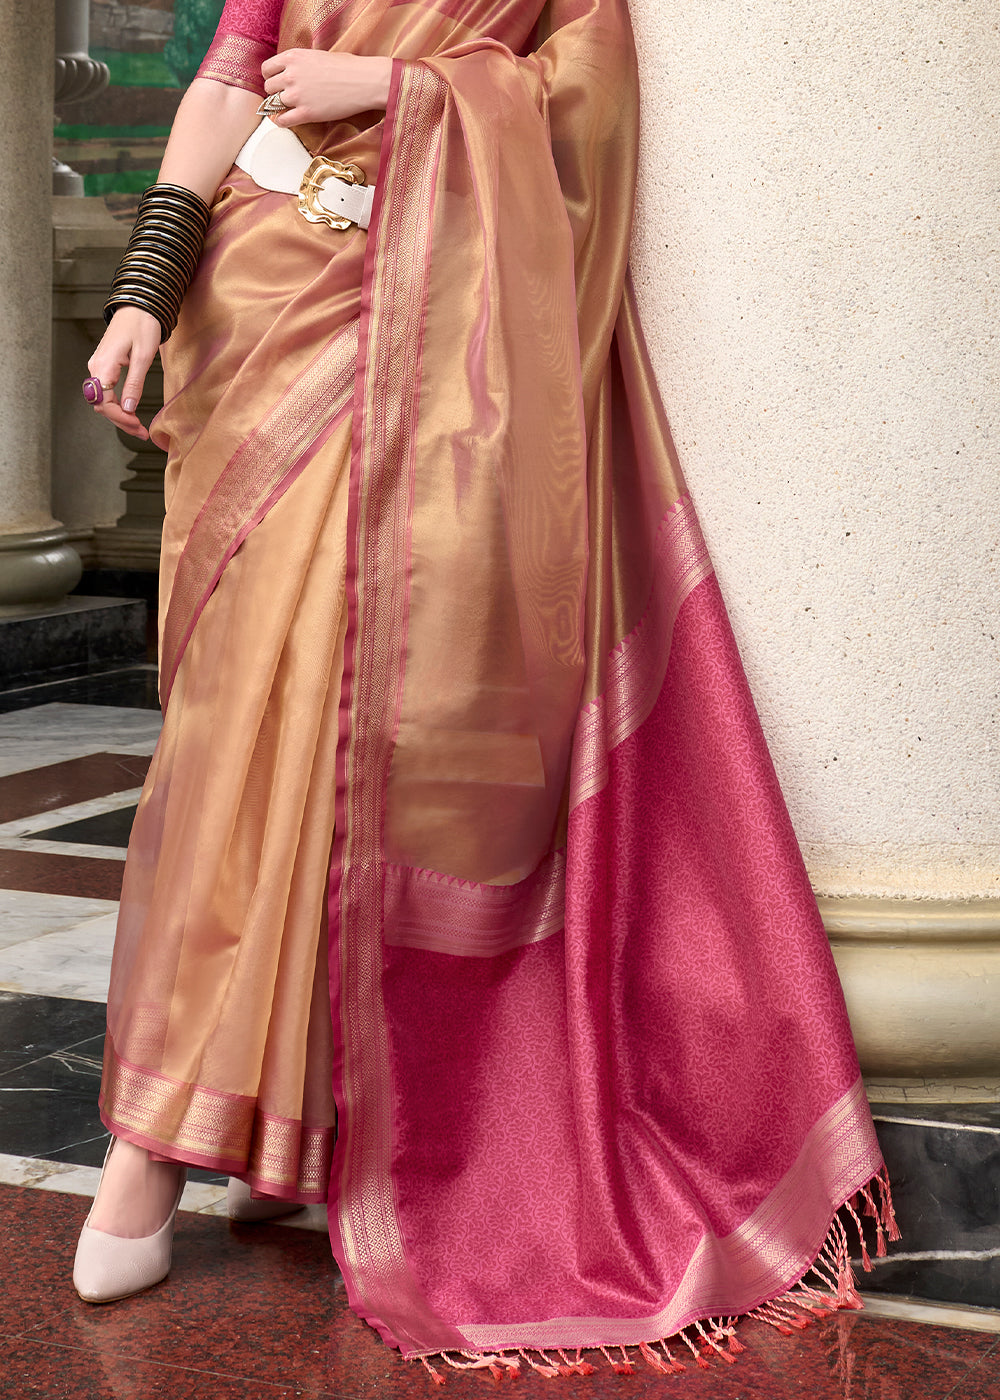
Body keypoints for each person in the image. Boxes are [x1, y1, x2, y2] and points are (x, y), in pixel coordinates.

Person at [73, 0, 896, 1376]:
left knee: (373, 741)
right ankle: (238, 1119)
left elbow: (587, 97)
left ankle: (174, 1147)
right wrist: (146, 294)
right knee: (232, 734)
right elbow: (228, 82)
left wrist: (397, 88)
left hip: (448, 334)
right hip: (264, 308)